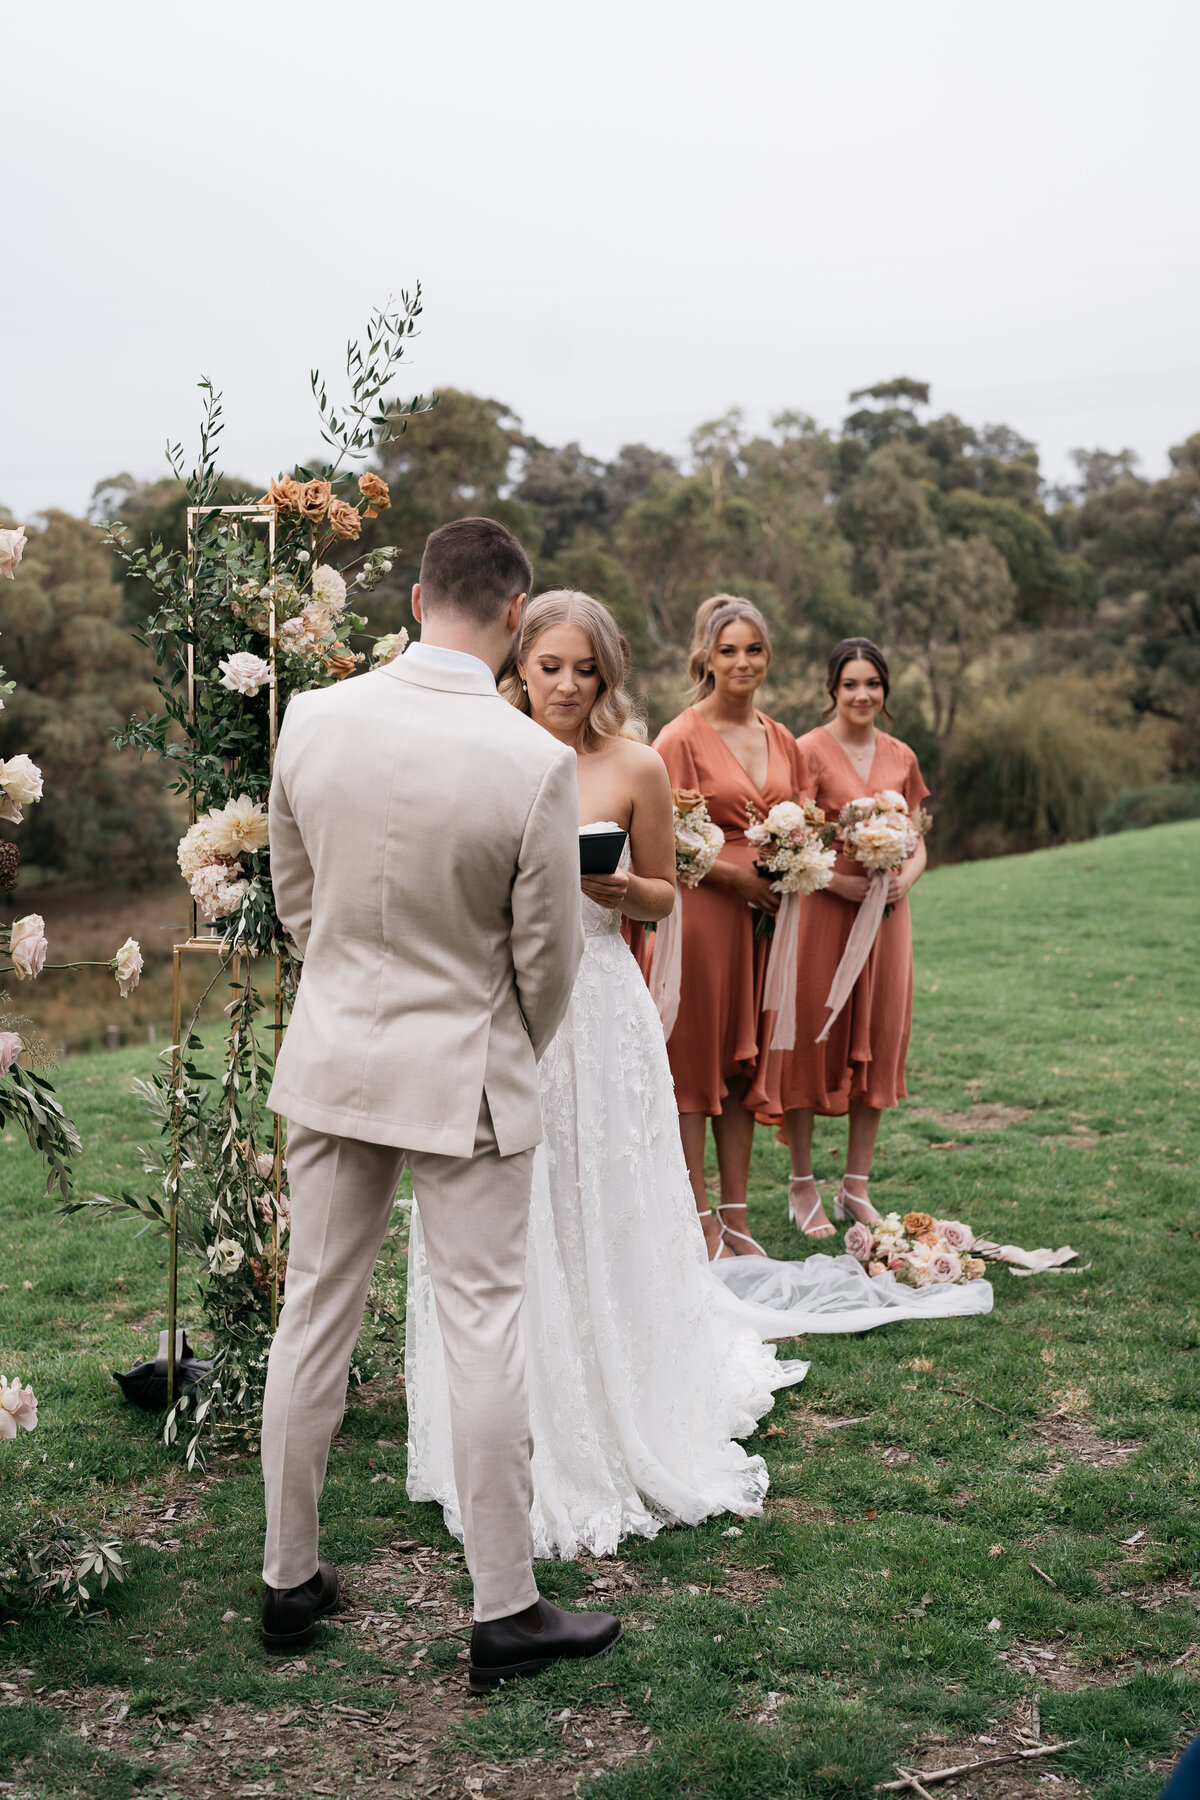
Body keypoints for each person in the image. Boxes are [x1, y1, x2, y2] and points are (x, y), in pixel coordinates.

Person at [260, 520, 621, 1696]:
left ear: (419, 599)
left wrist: (354, 1002)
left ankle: (287, 1580)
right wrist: (499, 1039)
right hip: (466, 1072)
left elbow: (293, 895)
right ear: (516, 617)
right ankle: (504, 1608)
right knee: (481, 1327)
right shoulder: (529, 764)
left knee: (314, 1309)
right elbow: (547, 958)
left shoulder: (311, 719)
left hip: (332, 1059)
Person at [404, 590, 809, 1562]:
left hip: (602, 999)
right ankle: (519, 1407)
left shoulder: (633, 767)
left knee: (607, 1192)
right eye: (550, 667)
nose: (568, 687)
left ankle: (627, 1383)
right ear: (520, 666)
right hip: (506, 1007)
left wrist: (622, 888)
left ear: (609, 675)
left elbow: (668, 898)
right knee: (520, 1200)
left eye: (586, 670)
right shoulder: (483, 750)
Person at [748, 638, 929, 1235]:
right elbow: (794, 838)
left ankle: (856, 1186)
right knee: (810, 1039)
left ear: (885, 691)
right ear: (833, 690)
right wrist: (837, 887)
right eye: (850, 684)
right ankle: (802, 1187)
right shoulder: (807, 752)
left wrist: (905, 875)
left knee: (879, 1033)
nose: (861, 695)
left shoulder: (901, 755)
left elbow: (919, 835)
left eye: (872, 684)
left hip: (886, 920)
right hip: (825, 914)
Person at [650, 597, 811, 1257]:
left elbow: (805, 816)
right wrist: (735, 878)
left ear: (767, 657)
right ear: (706, 659)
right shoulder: (679, 738)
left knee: (745, 1066)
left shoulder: (783, 739)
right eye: (728, 651)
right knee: (696, 1065)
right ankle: (697, 1216)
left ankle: (738, 1216)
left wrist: (792, 865)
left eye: (753, 650)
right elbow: (661, 836)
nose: (742, 662)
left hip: (768, 924)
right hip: (704, 916)